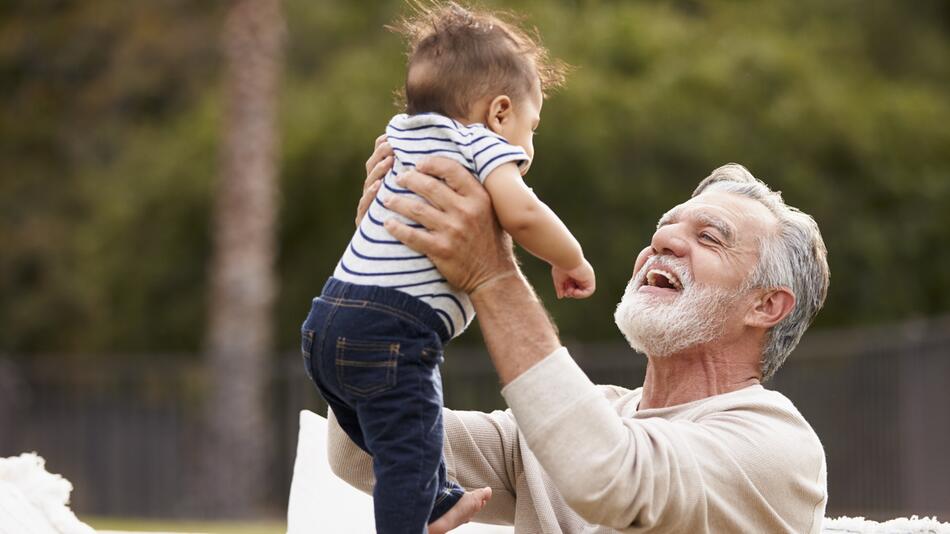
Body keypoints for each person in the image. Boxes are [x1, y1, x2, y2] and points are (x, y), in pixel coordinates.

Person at [328, 153, 831, 533]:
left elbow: (608, 475)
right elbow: (361, 451)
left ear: (765, 306)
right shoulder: (593, 416)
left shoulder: (778, 443)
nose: (664, 242)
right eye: (663, 229)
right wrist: (382, 272)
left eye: (710, 238)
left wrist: (492, 271)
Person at [300, 3, 594, 532]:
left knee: (398, 442)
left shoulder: (402, 135)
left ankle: (433, 497)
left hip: (327, 322)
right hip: (394, 329)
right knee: (407, 455)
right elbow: (524, 214)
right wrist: (569, 259)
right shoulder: (479, 142)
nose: (529, 146)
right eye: (533, 128)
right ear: (500, 112)